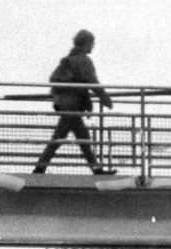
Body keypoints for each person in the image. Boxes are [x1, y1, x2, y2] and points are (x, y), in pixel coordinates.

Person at [33, 29, 117, 176]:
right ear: (86, 43)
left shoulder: (70, 59)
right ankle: (40, 168)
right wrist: (105, 99)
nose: (93, 46)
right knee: (66, 138)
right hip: (72, 105)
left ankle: (41, 168)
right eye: (92, 43)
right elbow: (92, 82)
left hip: (66, 104)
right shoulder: (83, 60)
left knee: (79, 137)